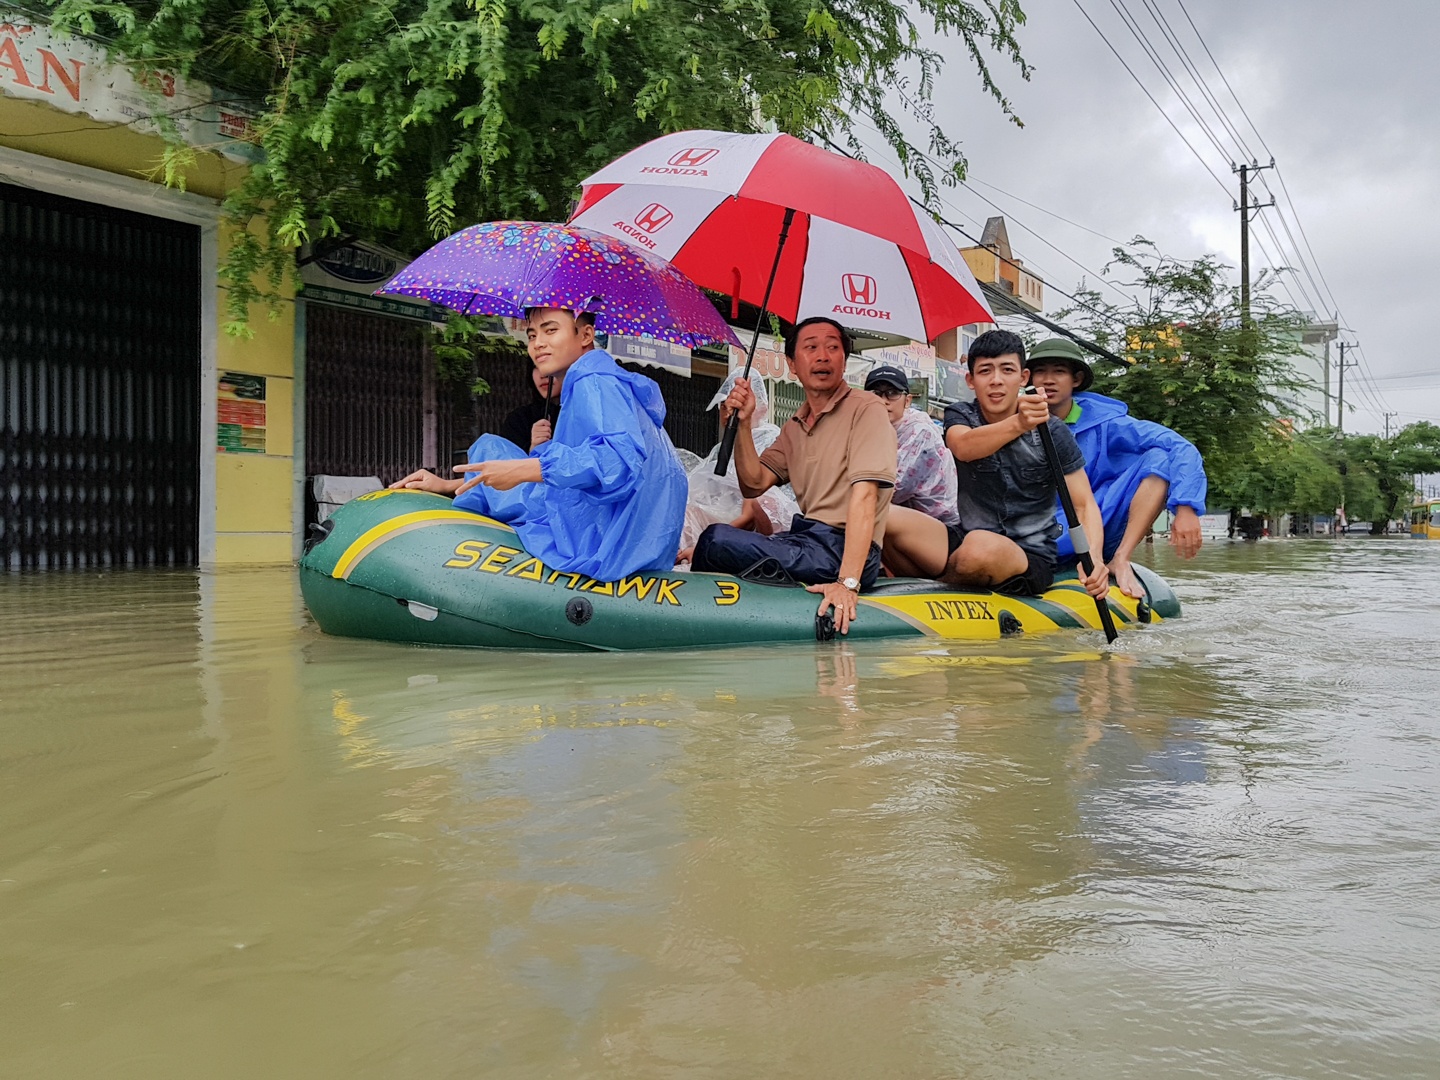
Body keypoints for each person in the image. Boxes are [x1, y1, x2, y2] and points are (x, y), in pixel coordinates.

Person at [391, 307, 686, 580]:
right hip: (637, 540)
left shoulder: (593, 381)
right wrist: (446, 484)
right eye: (532, 335)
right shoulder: (606, 379)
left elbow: (617, 463)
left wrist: (530, 468)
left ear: (585, 335)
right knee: (496, 450)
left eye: (550, 331)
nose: (538, 344)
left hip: (607, 545)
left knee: (490, 448)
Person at [690, 316, 897, 635]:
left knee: (716, 540)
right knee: (715, 539)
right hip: (808, 538)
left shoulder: (865, 410)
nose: (823, 356)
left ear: (844, 360)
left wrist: (847, 583)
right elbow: (753, 483)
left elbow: (866, 495)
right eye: (811, 347)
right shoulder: (797, 425)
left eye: (833, 347)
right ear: (792, 365)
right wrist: (743, 424)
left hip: (841, 550)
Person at [882, 329, 1109, 599]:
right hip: (960, 538)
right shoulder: (961, 414)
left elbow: (1083, 504)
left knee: (980, 548)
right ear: (970, 380)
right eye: (985, 371)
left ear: (1023, 377)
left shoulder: (1053, 431)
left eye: (1007, 370)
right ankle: (924, 586)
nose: (996, 381)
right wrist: (1020, 423)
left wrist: (1094, 558)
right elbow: (963, 447)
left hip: (1026, 555)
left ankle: (934, 589)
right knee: (878, 512)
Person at [1027, 337, 1206, 598]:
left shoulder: (1105, 422)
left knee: (1159, 457)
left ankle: (1120, 559)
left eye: (1059, 371)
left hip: (1097, 521)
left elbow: (1178, 446)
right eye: (1040, 372)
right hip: (1039, 530)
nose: (1048, 380)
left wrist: (1186, 506)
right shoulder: (1012, 421)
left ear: (1075, 380)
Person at [863, 364, 959, 527]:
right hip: (909, 516)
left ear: (907, 401)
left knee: (871, 512)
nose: (883, 401)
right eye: (876, 394)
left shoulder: (920, 432)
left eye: (892, 394)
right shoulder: (873, 427)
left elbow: (891, 490)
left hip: (942, 526)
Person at [497, 362, 562, 451]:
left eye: (550, 364)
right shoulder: (519, 419)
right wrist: (533, 448)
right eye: (535, 366)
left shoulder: (584, 414)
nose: (543, 374)